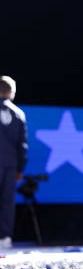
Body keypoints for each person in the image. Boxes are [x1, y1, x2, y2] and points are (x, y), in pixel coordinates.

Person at [0, 76, 27, 250]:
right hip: (10, 165)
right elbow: (22, 145)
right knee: (7, 202)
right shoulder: (18, 113)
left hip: (9, 164)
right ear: (11, 92)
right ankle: (5, 237)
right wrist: (20, 168)